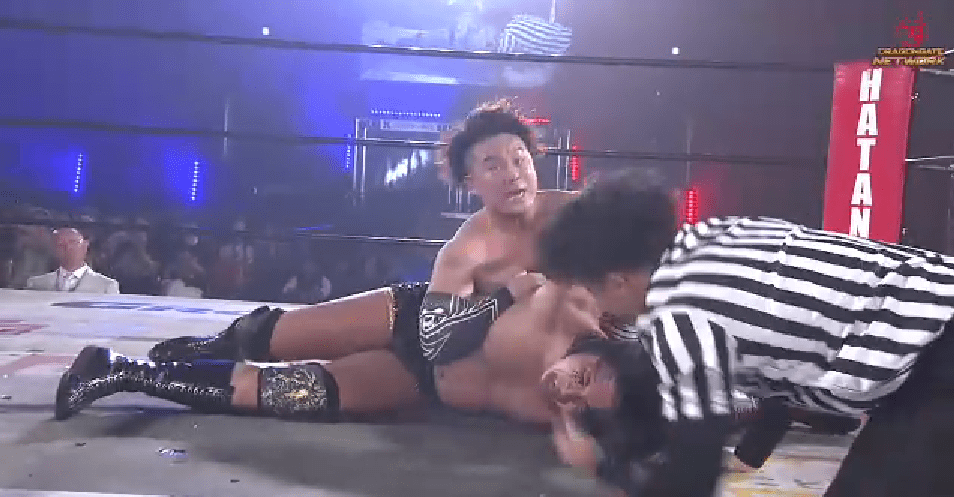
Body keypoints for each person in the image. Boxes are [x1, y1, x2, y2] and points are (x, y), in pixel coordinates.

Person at [53, 99, 589, 425]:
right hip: (413, 320)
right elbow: (434, 338)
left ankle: (124, 372)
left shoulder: (578, 215)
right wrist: (505, 298)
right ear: (470, 183)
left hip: (426, 381)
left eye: (519, 158)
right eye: (493, 165)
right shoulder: (467, 247)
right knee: (275, 336)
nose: (512, 173)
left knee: (292, 393)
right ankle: (198, 347)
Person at [535, 169, 954, 496]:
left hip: (935, 360)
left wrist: (603, 468)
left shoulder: (678, 314)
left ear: (618, 279)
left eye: (593, 290)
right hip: (927, 346)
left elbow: (694, 473)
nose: (603, 307)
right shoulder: (715, 235)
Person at [26, 227, 119, 294]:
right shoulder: (36, 284)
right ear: (54, 248)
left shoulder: (107, 286)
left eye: (73, 242)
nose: (68, 248)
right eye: (61, 244)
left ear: (85, 245)